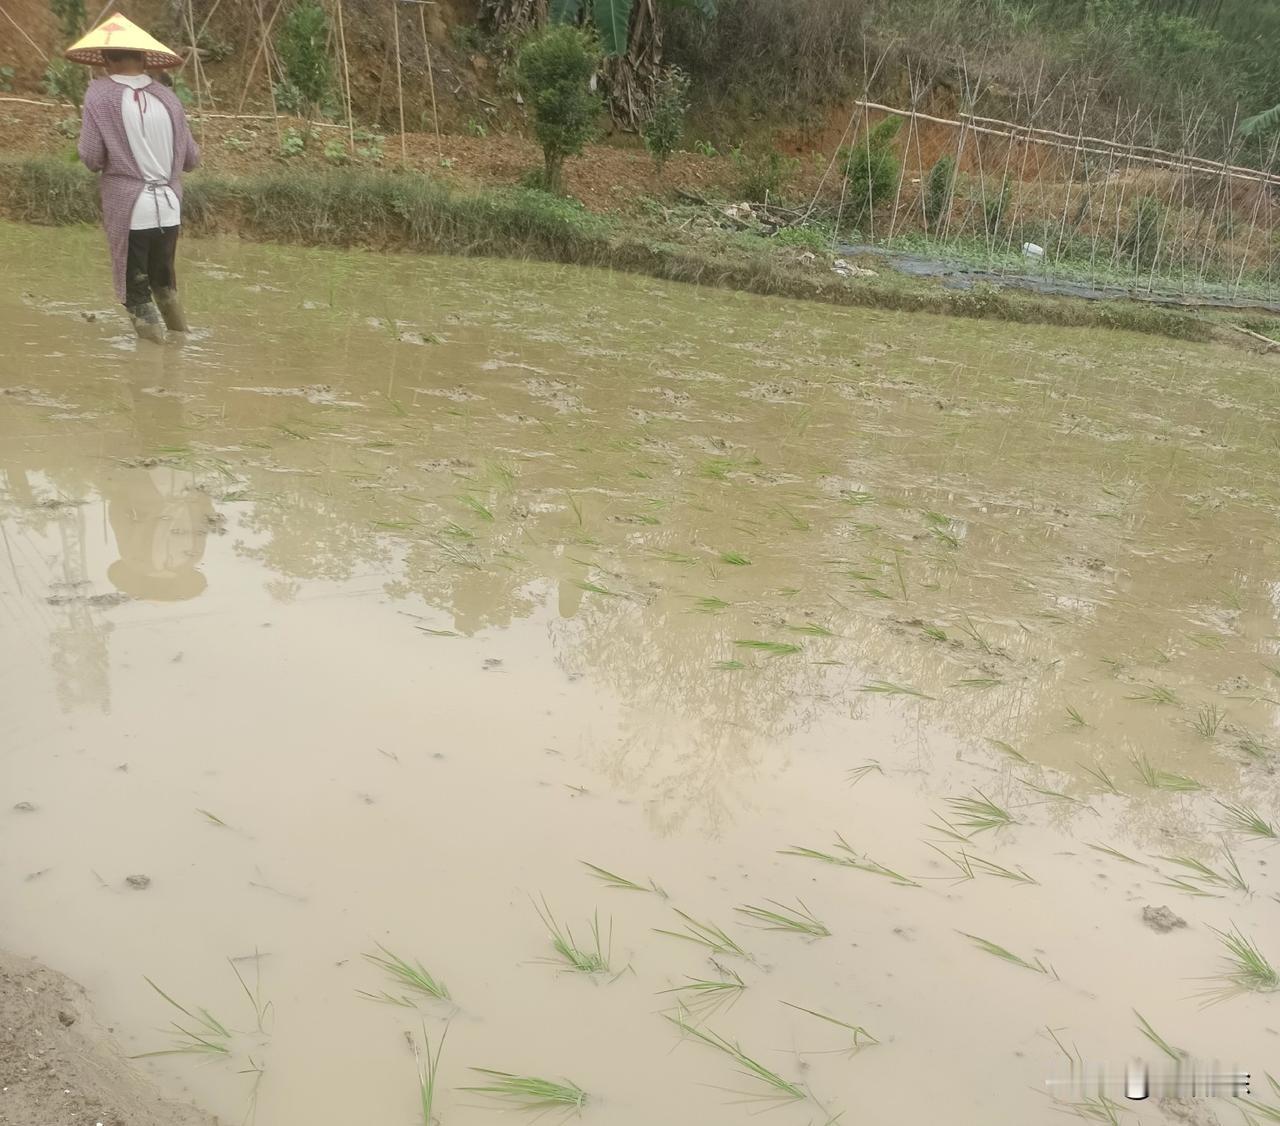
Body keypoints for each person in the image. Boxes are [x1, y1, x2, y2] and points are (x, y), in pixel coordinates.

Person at [66, 13, 199, 343]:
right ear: (143, 58)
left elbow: (92, 157)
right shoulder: (169, 99)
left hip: (132, 209)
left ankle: (152, 368)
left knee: (136, 291)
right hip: (169, 207)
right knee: (164, 283)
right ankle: (180, 345)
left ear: (107, 59)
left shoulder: (100, 95)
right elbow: (191, 160)